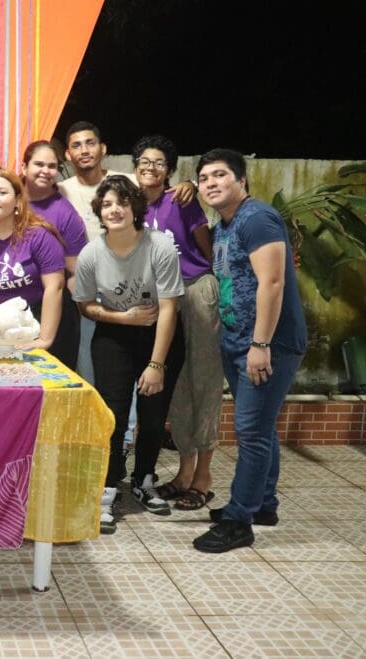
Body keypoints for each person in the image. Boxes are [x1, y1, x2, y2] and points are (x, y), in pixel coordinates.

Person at [193, 149, 306, 553]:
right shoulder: (225, 224)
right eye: (204, 177)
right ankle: (264, 505)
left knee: (251, 432)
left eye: (220, 174)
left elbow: (272, 283)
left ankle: (240, 520)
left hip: (266, 345)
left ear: (242, 180)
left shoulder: (257, 218)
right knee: (260, 428)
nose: (210, 182)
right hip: (239, 342)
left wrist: (261, 345)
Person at [73, 175, 185, 534]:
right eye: (106, 204)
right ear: (99, 212)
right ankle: (107, 490)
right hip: (114, 336)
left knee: (153, 416)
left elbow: (169, 308)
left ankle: (144, 479)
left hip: (159, 335)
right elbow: (86, 305)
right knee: (113, 414)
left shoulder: (160, 246)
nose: (114, 210)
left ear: (135, 208)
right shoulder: (92, 253)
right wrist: (121, 317)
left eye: (121, 202)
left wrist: (156, 364)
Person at [131, 135, 222, 511]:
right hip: (159, 300)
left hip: (194, 290)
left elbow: (206, 248)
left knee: (204, 379)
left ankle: (203, 476)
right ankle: (184, 473)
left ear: (169, 171)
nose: (151, 168)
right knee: (177, 384)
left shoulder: (181, 200)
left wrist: (211, 286)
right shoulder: (130, 205)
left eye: (159, 163)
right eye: (144, 162)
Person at [0, 168, 65, 352]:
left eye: (2, 193)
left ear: (18, 201)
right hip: (3, 330)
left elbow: (54, 287)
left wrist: (44, 339)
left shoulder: (39, 236)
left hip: (43, 322)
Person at [20, 140, 88, 368]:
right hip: (9, 309)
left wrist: (72, 312)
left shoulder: (65, 213)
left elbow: (74, 271)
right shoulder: (5, 199)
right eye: (38, 164)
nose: (45, 171)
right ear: (24, 167)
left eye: (51, 166)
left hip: (51, 308)